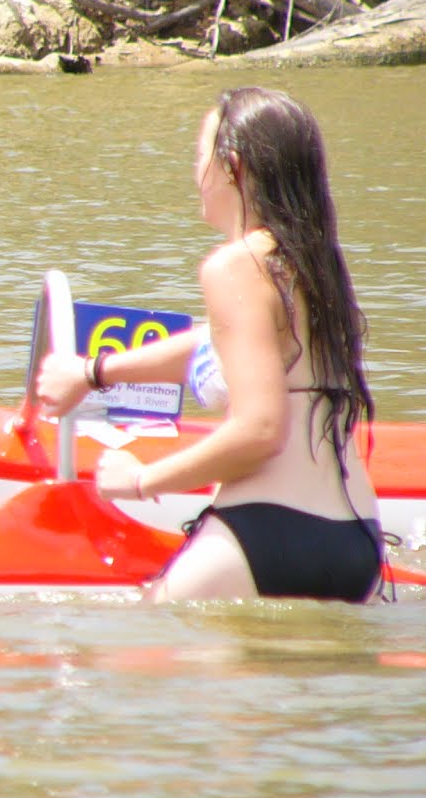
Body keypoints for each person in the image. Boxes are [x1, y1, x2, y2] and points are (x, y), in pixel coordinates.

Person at [37, 86, 383, 602]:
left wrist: (141, 480)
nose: (194, 172)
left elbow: (261, 429)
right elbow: (218, 345)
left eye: (200, 156)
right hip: (355, 539)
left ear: (232, 167)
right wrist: (93, 372)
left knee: (115, 659)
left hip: (266, 534)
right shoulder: (313, 263)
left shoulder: (235, 265)